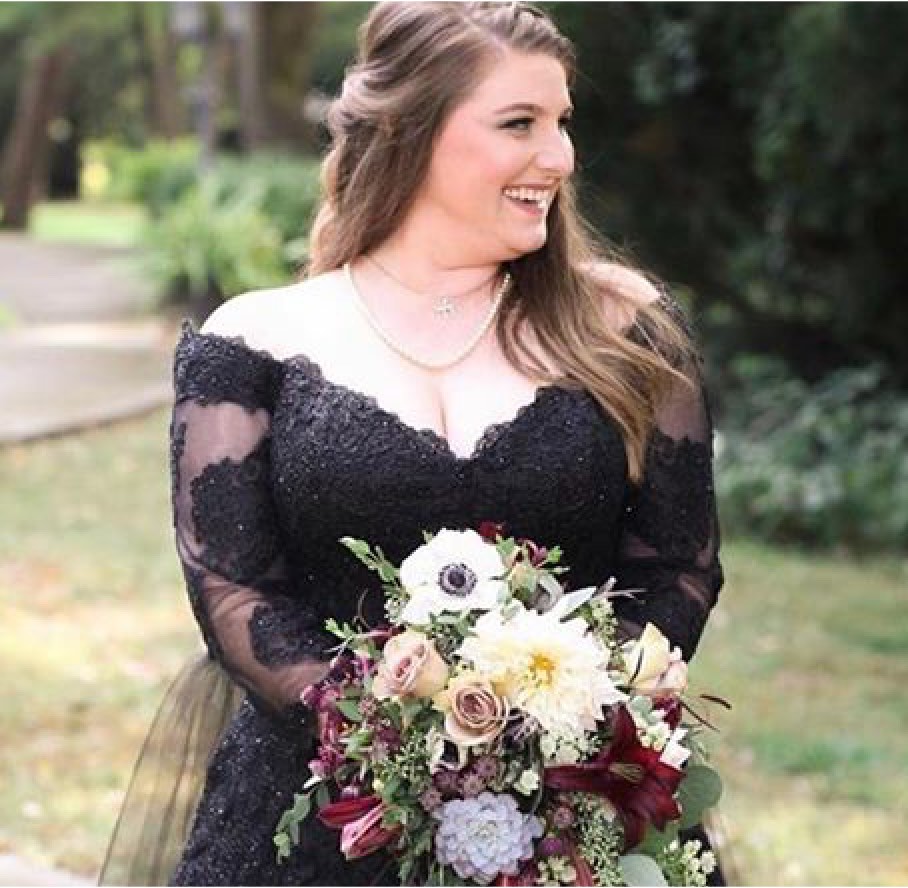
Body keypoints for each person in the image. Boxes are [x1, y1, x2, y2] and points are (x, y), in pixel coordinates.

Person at [101, 2, 725, 885]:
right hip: (314, 819)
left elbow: (680, 570)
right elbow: (233, 590)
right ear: (412, 131)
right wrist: (398, 738)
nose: (558, 157)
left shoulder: (625, 328)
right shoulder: (257, 342)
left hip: (573, 825)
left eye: (562, 124)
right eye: (520, 123)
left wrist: (558, 726)